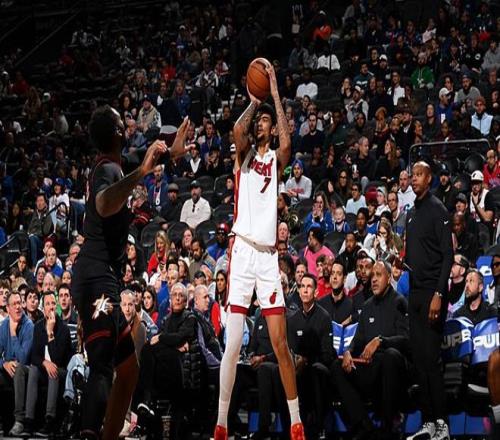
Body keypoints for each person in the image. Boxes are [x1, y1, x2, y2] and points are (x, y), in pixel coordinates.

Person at [71, 105, 189, 440]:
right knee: (102, 365)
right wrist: (142, 173)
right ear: (118, 133)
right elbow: (104, 203)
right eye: (122, 123)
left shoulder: (115, 164)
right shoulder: (107, 169)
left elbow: (147, 156)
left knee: (129, 369)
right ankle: (89, 434)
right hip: (96, 279)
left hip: (100, 276)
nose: (128, 126)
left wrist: (173, 152)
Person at [214, 63, 306, 440]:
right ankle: (221, 424)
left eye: (267, 120)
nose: (263, 124)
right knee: (233, 343)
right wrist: (255, 101)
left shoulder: (274, 160)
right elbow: (237, 130)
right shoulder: (244, 155)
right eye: (261, 121)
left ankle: (296, 423)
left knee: (281, 343)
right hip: (242, 253)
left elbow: (287, 144)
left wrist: (274, 93)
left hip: (267, 257)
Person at [330, 260, 410, 439]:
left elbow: (406, 341)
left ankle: (388, 427)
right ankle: (364, 426)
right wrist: (348, 351)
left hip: (393, 370)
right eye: (372, 275)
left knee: (390, 356)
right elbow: (358, 340)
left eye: (378, 275)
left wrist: (381, 341)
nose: (373, 279)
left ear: (389, 278)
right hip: (371, 369)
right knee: (337, 366)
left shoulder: (399, 302)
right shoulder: (367, 306)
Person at [406, 161, 453, 440]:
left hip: (432, 294)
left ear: (429, 178)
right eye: (412, 175)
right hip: (414, 293)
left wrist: (439, 294)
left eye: (419, 175)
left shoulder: (438, 209)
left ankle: (443, 423)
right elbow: (414, 256)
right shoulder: (411, 214)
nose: (414, 179)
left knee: (432, 360)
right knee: (419, 361)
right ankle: (428, 422)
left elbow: (448, 255)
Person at [287, 273, 335, 438]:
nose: (305, 290)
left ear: (316, 292)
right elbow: (291, 349)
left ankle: (318, 427)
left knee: (315, 371)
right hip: (298, 369)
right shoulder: (292, 320)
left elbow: (327, 354)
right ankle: (291, 426)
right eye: (302, 286)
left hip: (318, 366)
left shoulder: (324, 317)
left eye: (309, 287)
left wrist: (306, 360)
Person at [22, 291, 72, 436]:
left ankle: (50, 420)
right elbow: (34, 356)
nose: (51, 307)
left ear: (56, 307)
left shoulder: (63, 329)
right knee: (33, 370)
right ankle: (29, 420)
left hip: (61, 370)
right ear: (43, 308)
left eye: (53, 304)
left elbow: (58, 360)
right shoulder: (38, 327)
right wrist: (44, 362)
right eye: (47, 304)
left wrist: (50, 333)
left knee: (53, 371)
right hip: (44, 368)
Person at [0, 291, 34, 436]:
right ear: (7, 309)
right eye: (14, 304)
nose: (18, 307)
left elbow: (23, 358)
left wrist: (13, 334)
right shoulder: (3, 326)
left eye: (19, 303)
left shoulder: (29, 326)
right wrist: (4, 364)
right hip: (9, 369)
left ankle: (20, 420)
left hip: (26, 370)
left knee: (19, 368)